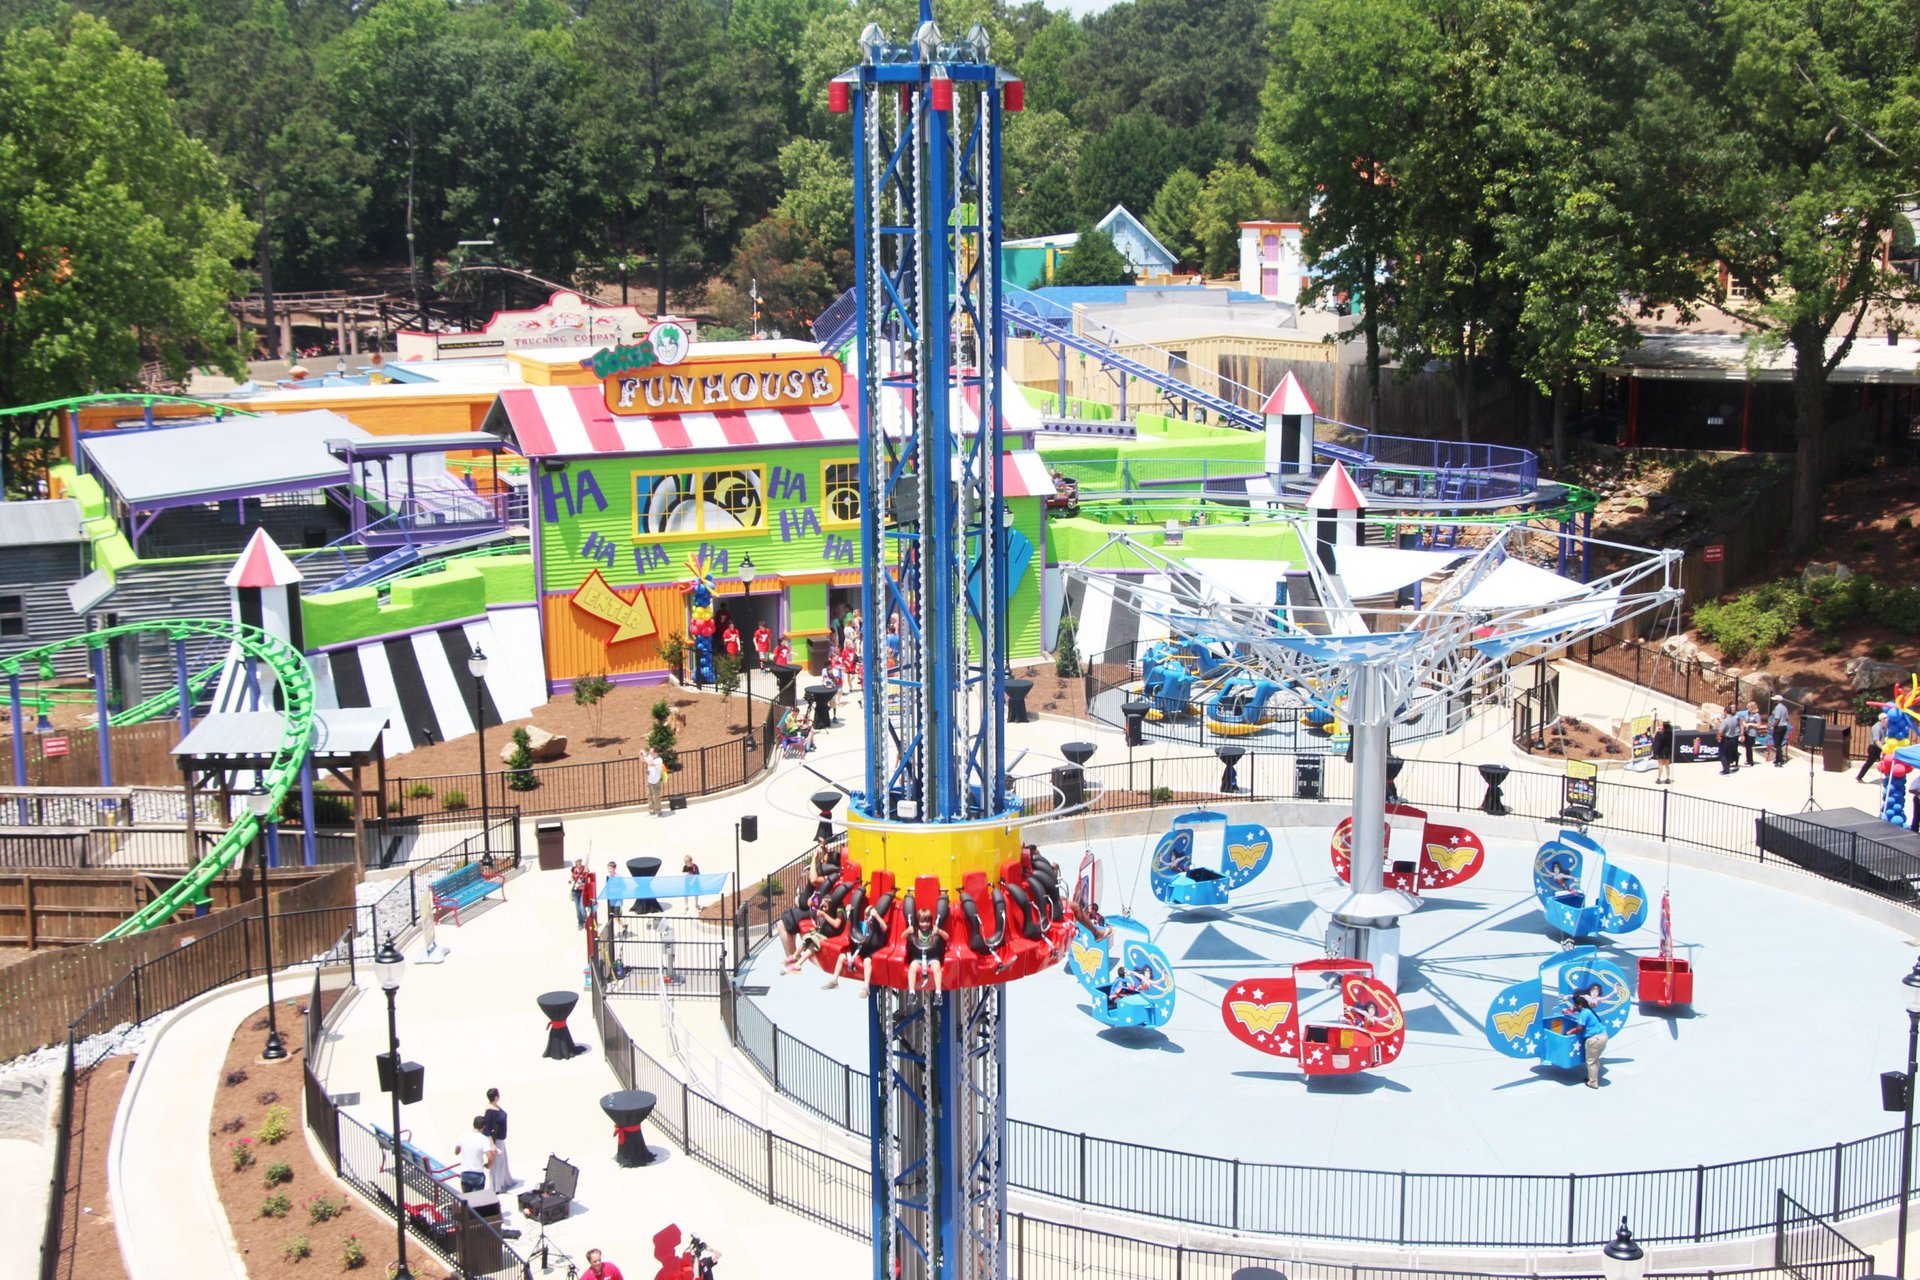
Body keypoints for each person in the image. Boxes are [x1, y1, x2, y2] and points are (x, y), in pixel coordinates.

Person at [1562, 993, 1608, 1088]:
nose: (1575, 1007)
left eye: (1576, 1005)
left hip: (1594, 1039)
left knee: (1591, 1061)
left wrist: (1570, 1032)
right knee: (1595, 1060)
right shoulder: (1588, 1010)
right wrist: (1567, 1009)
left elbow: (1580, 1028)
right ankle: (1593, 1078)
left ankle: (1593, 1083)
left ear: (1580, 1005)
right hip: (1603, 1036)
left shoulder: (1584, 1013)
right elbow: (1573, 1010)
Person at [905, 908, 948, 995]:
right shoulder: (916, 931)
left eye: (927, 922)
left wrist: (939, 931)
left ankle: (938, 992)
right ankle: (911, 992)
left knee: (936, 967)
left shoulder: (933, 931)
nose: (924, 924)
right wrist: (908, 931)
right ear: (918, 922)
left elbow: (946, 937)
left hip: (932, 957)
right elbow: (902, 937)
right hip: (918, 957)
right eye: (922, 922)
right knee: (912, 967)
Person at [482, 1088, 514, 1193]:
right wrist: (492, 1144)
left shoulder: (495, 1107)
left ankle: (503, 1182)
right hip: (496, 1142)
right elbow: (486, 1130)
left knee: (503, 1163)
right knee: (497, 1165)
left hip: (501, 1139)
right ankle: (497, 1186)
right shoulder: (490, 1111)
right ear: (496, 1097)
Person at [454, 1114, 495, 1194]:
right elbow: (490, 1157)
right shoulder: (484, 1139)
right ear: (483, 1127)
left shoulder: (463, 1136)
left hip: (465, 1174)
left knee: (467, 1198)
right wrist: (488, 1165)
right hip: (478, 1174)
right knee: (477, 1201)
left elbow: (456, 1152)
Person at [1859, 713, 1890, 782]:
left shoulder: (1885, 726)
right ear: (1882, 719)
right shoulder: (1876, 727)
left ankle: (1889, 778)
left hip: (1880, 748)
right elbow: (1876, 741)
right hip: (1874, 748)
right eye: (1886, 718)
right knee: (1869, 763)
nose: (1888, 719)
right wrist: (1884, 749)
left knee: (1886, 762)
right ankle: (1859, 777)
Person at [1717, 707, 1743, 775]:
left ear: (1725, 712)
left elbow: (1721, 731)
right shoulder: (1735, 720)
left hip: (1726, 739)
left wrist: (1718, 737)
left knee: (1722, 754)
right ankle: (1728, 766)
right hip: (1733, 738)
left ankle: (1726, 769)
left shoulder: (1725, 721)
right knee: (1728, 754)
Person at [1769, 696, 1793, 767]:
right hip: (1784, 727)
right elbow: (1787, 718)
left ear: (1777, 701)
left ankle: (1780, 760)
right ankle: (1777, 759)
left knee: (1777, 744)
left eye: (1775, 700)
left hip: (1778, 727)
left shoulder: (1777, 708)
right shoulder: (1784, 707)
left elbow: (1777, 719)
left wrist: (1773, 726)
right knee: (1779, 743)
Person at [645, 745, 666, 817]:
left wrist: (644, 754)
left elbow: (650, 763)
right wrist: (641, 755)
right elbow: (642, 760)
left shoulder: (659, 760)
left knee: (656, 797)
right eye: (650, 752)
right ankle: (652, 810)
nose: (650, 754)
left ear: (656, 753)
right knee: (649, 796)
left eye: (651, 752)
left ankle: (658, 810)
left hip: (656, 781)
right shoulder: (651, 757)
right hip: (649, 780)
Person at [1652, 720, 1674, 785]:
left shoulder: (1660, 734)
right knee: (1667, 765)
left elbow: (1657, 743)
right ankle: (1668, 778)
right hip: (1667, 751)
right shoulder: (1670, 734)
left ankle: (1658, 778)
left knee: (1660, 765)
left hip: (1661, 751)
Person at [570, 858, 590, 928]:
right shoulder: (573, 869)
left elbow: (587, 876)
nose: (578, 862)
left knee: (582, 908)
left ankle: (586, 921)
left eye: (579, 861)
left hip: (582, 891)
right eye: (577, 861)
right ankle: (580, 923)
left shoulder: (585, 868)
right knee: (578, 909)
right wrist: (570, 880)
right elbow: (572, 877)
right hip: (575, 891)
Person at [1741, 700, 1762, 768]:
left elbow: (1758, 725)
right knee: (1746, 747)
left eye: (1749, 707)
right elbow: (1744, 721)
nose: (1747, 708)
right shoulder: (1747, 713)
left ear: (1752, 707)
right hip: (1746, 732)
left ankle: (1750, 761)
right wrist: (1744, 724)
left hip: (1752, 733)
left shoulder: (1756, 715)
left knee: (1749, 747)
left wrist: (1750, 724)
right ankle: (1748, 759)